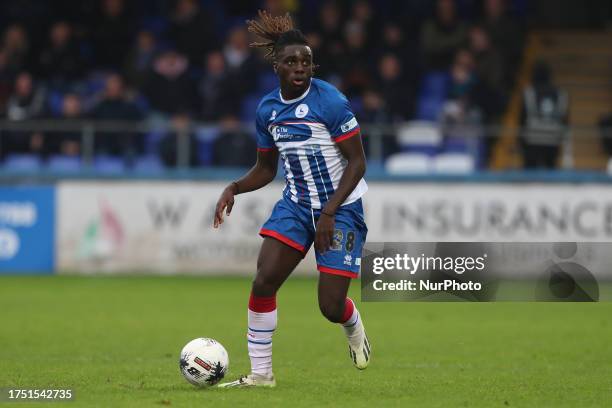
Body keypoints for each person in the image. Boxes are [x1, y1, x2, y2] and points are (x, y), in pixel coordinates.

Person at [213, 11, 370, 388]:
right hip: (297, 206)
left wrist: (330, 212)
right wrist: (234, 187)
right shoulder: (267, 110)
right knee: (264, 280)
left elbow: (358, 162)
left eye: (306, 61)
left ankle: (352, 323)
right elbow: (267, 168)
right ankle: (262, 375)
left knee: (329, 307)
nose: (300, 67)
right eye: (291, 62)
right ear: (277, 67)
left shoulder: (331, 102)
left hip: (342, 209)